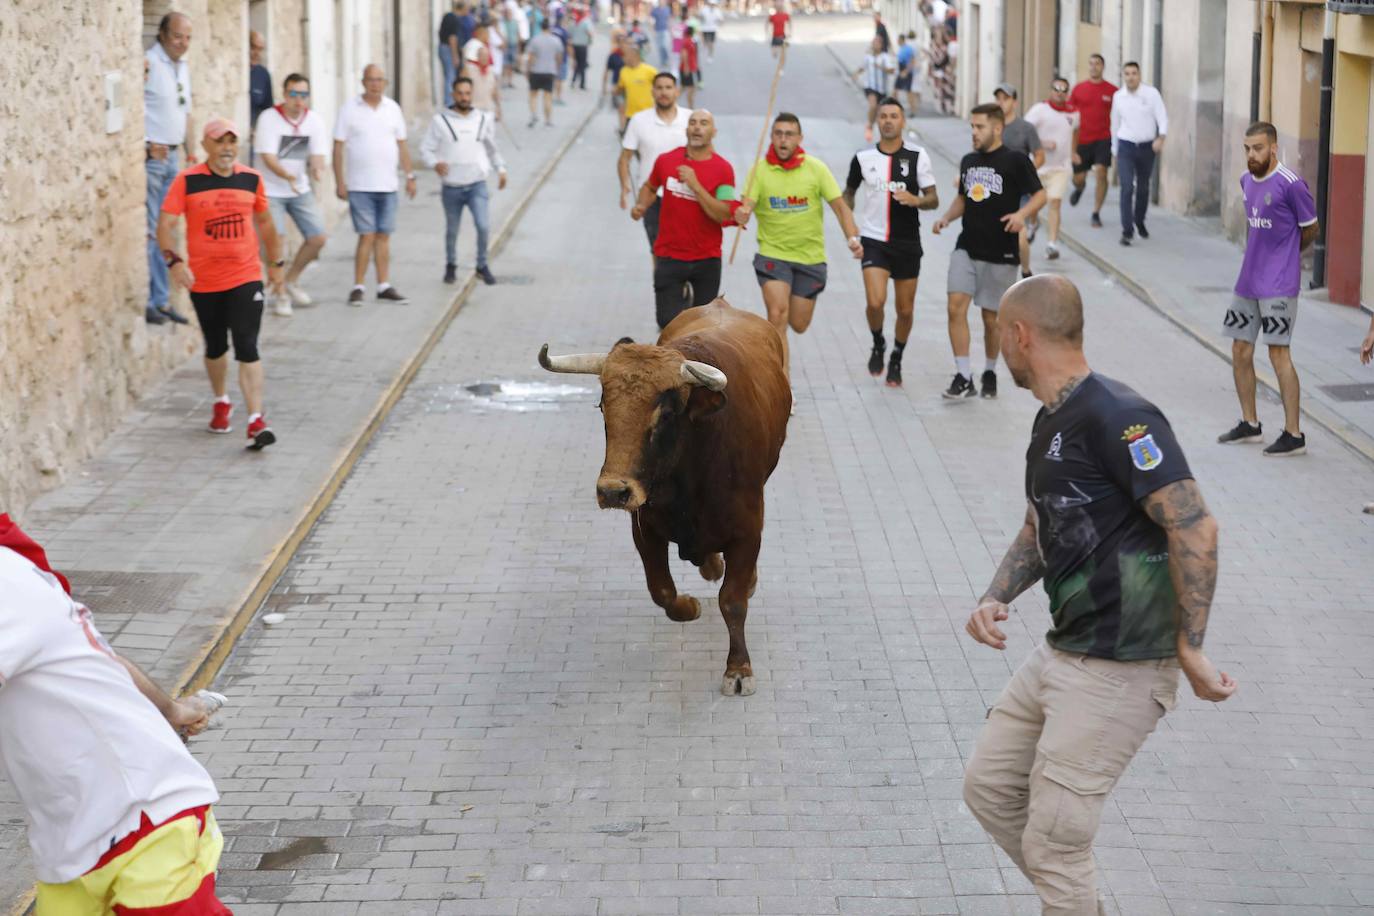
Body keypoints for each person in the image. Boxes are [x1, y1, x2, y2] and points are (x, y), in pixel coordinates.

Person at [963, 274, 1236, 915]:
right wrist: (995, 594)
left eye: (1002, 332)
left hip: (1122, 667)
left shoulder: (1121, 416)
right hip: (1064, 650)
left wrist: (1191, 648)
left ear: (1019, 334)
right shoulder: (1050, 420)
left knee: (1057, 844)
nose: (1000, 343)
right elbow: (1040, 524)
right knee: (991, 787)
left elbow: (1194, 524)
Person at [0, 518, 233, 916]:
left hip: (144, 817)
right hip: (67, 850)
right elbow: (102, 659)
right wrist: (174, 710)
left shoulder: (5, 580)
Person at [158, 118, 285, 450]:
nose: (227, 147)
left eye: (232, 141)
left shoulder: (251, 179)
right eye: (220, 141)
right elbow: (165, 225)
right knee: (216, 347)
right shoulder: (187, 181)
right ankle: (221, 400)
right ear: (206, 146)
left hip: (245, 275)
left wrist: (276, 264)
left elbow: (267, 224)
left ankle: (256, 421)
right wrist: (175, 262)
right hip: (205, 279)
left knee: (247, 344)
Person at [733, 113, 863, 376]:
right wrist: (742, 213)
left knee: (799, 323)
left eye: (789, 134)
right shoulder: (760, 170)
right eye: (778, 134)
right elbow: (746, 206)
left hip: (810, 259)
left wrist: (852, 237)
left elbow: (840, 206)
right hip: (773, 255)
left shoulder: (816, 168)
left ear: (799, 139)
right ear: (771, 137)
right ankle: (782, 387)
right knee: (777, 315)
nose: (783, 139)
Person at [930, 103, 1044, 400]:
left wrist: (1022, 215)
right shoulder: (968, 161)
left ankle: (990, 370)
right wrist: (946, 218)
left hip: (1001, 250)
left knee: (992, 321)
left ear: (996, 128)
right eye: (972, 127)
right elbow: (963, 200)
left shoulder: (1016, 161)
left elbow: (1040, 194)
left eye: (979, 127)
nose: (973, 133)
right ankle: (963, 375)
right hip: (967, 246)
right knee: (955, 306)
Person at [1218, 121, 1319, 457]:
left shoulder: (1291, 185)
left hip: (1279, 285)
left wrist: (1285, 257)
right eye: (1247, 148)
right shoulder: (1246, 181)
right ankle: (1250, 424)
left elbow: (1310, 230)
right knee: (1239, 350)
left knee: (1278, 354)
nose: (1251, 154)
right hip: (1247, 280)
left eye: (1258, 148)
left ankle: (1294, 435)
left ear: (1273, 148)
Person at [843, 98, 938, 388]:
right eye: (883, 116)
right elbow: (847, 194)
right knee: (875, 302)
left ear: (902, 121)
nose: (887, 121)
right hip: (874, 240)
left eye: (893, 116)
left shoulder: (918, 156)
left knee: (905, 310)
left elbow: (933, 199)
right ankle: (877, 342)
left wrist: (916, 200)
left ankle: (896, 356)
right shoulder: (862, 158)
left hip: (907, 243)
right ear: (877, 121)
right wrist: (850, 227)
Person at [631, 108, 738, 328]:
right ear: (687, 129)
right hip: (670, 254)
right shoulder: (666, 160)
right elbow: (650, 187)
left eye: (704, 123)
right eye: (693, 122)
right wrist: (641, 204)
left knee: (702, 328)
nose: (697, 127)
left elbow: (723, 214)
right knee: (667, 324)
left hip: (706, 258)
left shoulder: (723, 169)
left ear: (713, 132)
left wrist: (696, 185)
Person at [332, 64, 416, 306]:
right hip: (360, 185)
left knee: (383, 235)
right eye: (371, 79)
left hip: (388, 184)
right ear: (363, 82)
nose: (375, 84)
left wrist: (409, 176)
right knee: (366, 235)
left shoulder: (393, 109)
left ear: (385, 83)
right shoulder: (349, 109)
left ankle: (383, 284)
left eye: (379, 80)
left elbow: (402, 144)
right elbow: (338, 147)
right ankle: (358, 286)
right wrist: (339, 181)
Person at [253, 72, 331, 317]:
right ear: (285, 95)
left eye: (303, 95)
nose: (299, 100)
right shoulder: (269, 118)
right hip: (270, 188)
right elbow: (268, 156)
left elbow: (318, 154)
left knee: (317, 237)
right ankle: (280, 293)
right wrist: (285, 175)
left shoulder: (314, 120)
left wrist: (318, 168)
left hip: (300, 188)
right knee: (277, 241)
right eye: (294, 94)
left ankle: (290, 279)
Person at [423, 76, 508, 287]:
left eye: (467, 93)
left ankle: (481, 264)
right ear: (453, 95)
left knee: (483, 225)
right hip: (451, 186)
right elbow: (426, 148)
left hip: (476, 184)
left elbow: (491, 148)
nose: (464, 97)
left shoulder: (482, 120)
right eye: (460, 93)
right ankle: (451, 265)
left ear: (472, 94)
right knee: (452, 229)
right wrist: (435, 163)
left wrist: (501, 168)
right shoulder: (440, 121)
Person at [144, 11, 195, 326]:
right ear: (162, 34)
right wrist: (146, 144)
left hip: (175, 156)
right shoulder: (148, 63)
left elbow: (186, 111)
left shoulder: (183, 67)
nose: (183, 43)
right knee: (153, 229)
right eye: (178, 36)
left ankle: (162, 300)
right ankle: (154, 300)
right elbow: (133, 106)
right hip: (154, 158)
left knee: (169, 229)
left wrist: (191, 152)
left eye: (188, 37)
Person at [619, 72, 690, 259]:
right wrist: (625, 185)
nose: (663, 92)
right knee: (658, 251)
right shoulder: (639, 120)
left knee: (686, 248)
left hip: (685, 194)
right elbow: (625, 158)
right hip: (651, 196)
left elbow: (707, 156)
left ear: (677, 91)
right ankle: (665, 287)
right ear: (652, 92)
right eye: (659, 88)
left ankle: (683, 284)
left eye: (668, 87)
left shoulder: (691, 120)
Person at [1111, 61, 1167, 246]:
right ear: (1123, 76)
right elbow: (1115, 123)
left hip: (1146, 147)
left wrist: (1161, 137)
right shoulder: (1119, 97)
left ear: (1139, 75)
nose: (1130, 77)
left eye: (1134, 73)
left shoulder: (1151, 94)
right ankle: (1127, 230)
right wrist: (1115, 149)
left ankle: (1139, 221)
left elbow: (1162, 116)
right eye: (1127, 73)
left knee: (1143, 187)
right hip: (1126, 145)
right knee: (1127, 187)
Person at [1023, 77, 1078, 261]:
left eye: (1064, 90)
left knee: (1055, 202)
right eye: (1056, 89)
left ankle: (1052, 244)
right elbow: (1025, 131)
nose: (1059, 93)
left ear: (1067, 93)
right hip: (1038, 166)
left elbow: (1076, 131)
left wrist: (1073, 151)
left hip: (1060, 168)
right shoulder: (1040, 110)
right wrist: (1042, 143)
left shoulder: (1074, 113)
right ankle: (1032, 223)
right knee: (1034, 204)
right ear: (1050, 91)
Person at [994, 83, 1044, 279]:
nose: (1001, 103)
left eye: (1005, 99)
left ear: (1014, 102)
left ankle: (1025, 271)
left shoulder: (1025, 128)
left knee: (1019, 236)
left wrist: (1027, 173)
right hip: (994, 190)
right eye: (998, 98)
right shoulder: (991, 127)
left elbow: (1039, 155)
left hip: (1019, 192)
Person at [1068, 53, 1116, 228]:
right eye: (1091, 63)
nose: (1094, 66)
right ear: (1088, 67)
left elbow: (1119, 115)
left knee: (1101, 172)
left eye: (1098, 63)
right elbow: (1069, 113)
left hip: (1103, 138)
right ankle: (1080, 188)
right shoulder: (1079, 89)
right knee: (1078, 177)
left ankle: (1096, 212)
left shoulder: (1112, 91)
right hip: (1082, 140)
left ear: (1103, 67)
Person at [855, 37, 896, 144]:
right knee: (872, 105)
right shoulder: (868, 57)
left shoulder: (885, 57)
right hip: (870, 86)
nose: (875, 45)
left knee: (879, 111)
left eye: (878, 43)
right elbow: (862, 67)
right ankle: (869, 125)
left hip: (882, 89)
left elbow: (892, 70)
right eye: (874, 43)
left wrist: (882, 68)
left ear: (881, 45)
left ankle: (876, 128)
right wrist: (856, 74)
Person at [525, 20, 564, 126]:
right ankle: (548, 120)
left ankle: (533, 114)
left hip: (536, 70)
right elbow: (559, 57)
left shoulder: (535, 40)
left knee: (533, 95)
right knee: (548, 97)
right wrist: (557, 68)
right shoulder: (556, 40)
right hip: (549, 71)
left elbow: (531, 57)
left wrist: (527, 69)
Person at [465, 18, 503, 119]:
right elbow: (468, 71)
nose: (489, 36)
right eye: (488, 33)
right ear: (482, 32)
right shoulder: (474, 46)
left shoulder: (480, 45)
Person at [616, 41, 659, 122]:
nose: (623, 58)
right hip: (631, 115)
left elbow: (661, 86)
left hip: (648, 114)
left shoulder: (650, 70)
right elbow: (620, 88)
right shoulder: (623, 71)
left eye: (626, 55)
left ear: (635, 55)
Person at [440, 1, 467, 99]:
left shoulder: (448, 16)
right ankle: (449, 102)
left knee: (449, 75)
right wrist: (455, 56)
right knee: (450, 76)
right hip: (448, 49)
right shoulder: (454, 18)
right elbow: (452, 38)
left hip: (444, 48)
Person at [248, 30, 272, 128]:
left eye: (260, 49)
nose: (257, 53)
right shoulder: (235, 70)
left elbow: (267, 110)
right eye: (253, 47)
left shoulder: (263, 74)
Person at [604, 35, 628, 130]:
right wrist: (604, 87)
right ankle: (622, 128)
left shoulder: (631, 55)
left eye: (624, 42)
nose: (622, 44)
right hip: (617, 85)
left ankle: (627, 127)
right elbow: (607, 70)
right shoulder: (613, 55)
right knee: (621, 108)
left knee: (629, 108)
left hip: (630, 86)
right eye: (620, 42)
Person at [894, 32, 918, 116]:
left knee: (908, 92)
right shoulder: (901, 48)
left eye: (898, 40)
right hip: (901, 71)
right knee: (895, 90)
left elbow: (912, 61)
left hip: (906, 72)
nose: (897, 41)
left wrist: (906, 71)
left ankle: (913, 111)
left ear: (901, 40)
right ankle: (896, 109)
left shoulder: (908, 49)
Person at [570, 8, 594, 89]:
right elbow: (590, 33)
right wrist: (590, 40)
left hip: (575, 46)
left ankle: (573, 81)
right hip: (582, 46)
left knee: (577, 63)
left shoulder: (574, 22)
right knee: (582, 64)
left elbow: (570, 33)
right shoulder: (586, 22)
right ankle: (582, 84)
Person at [679, 26, 700, 107]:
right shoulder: (687, 41)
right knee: (690, 88)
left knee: (685, 87)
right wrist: (686, 67)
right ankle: (690, 107)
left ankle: (690, 106)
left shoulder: (690, 41)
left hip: (690, 67)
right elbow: (684, 54)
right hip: (688, 68)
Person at [650, 0, 673, 68]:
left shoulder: (667, 9)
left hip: (665, 30)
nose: (661, 2)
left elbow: (668, 19)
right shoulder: (655, 10)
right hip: (657, 30)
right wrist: (652, 30)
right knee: (659, 47)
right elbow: (652, 20)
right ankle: (663, 61)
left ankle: (666, 58)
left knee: (664, 46)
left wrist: (671, 29)